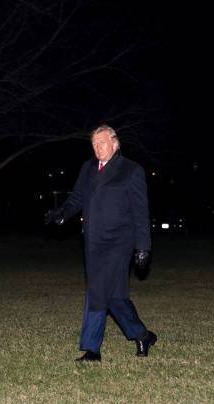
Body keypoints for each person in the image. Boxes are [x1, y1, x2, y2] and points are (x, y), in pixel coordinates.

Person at [45, 125, 156, 361]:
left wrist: (143, 247)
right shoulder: (88, 168)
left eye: (102, 143)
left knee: (96, 289)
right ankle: (142, 335)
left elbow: (140, 212)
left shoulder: (131, 170)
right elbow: (77, 198)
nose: (97, 148)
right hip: (93, 242)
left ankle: (92, 349)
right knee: (114, 296)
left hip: (119, 243)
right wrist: (62, 213)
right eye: (94, 144)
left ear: (115, 143)